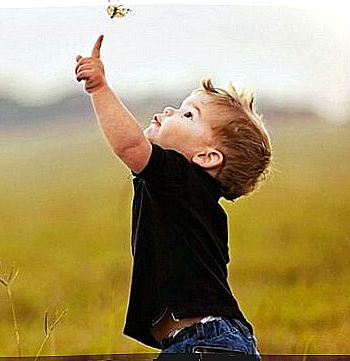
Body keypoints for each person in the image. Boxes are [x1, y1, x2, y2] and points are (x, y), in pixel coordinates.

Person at [74, 35, 270, 360]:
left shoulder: (179, 180)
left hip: (204, 342)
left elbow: (131, 146)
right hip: (214, 341)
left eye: (188, 115)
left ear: (207, 157)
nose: (170, 110)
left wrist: (99, 88)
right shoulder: (194, 197)